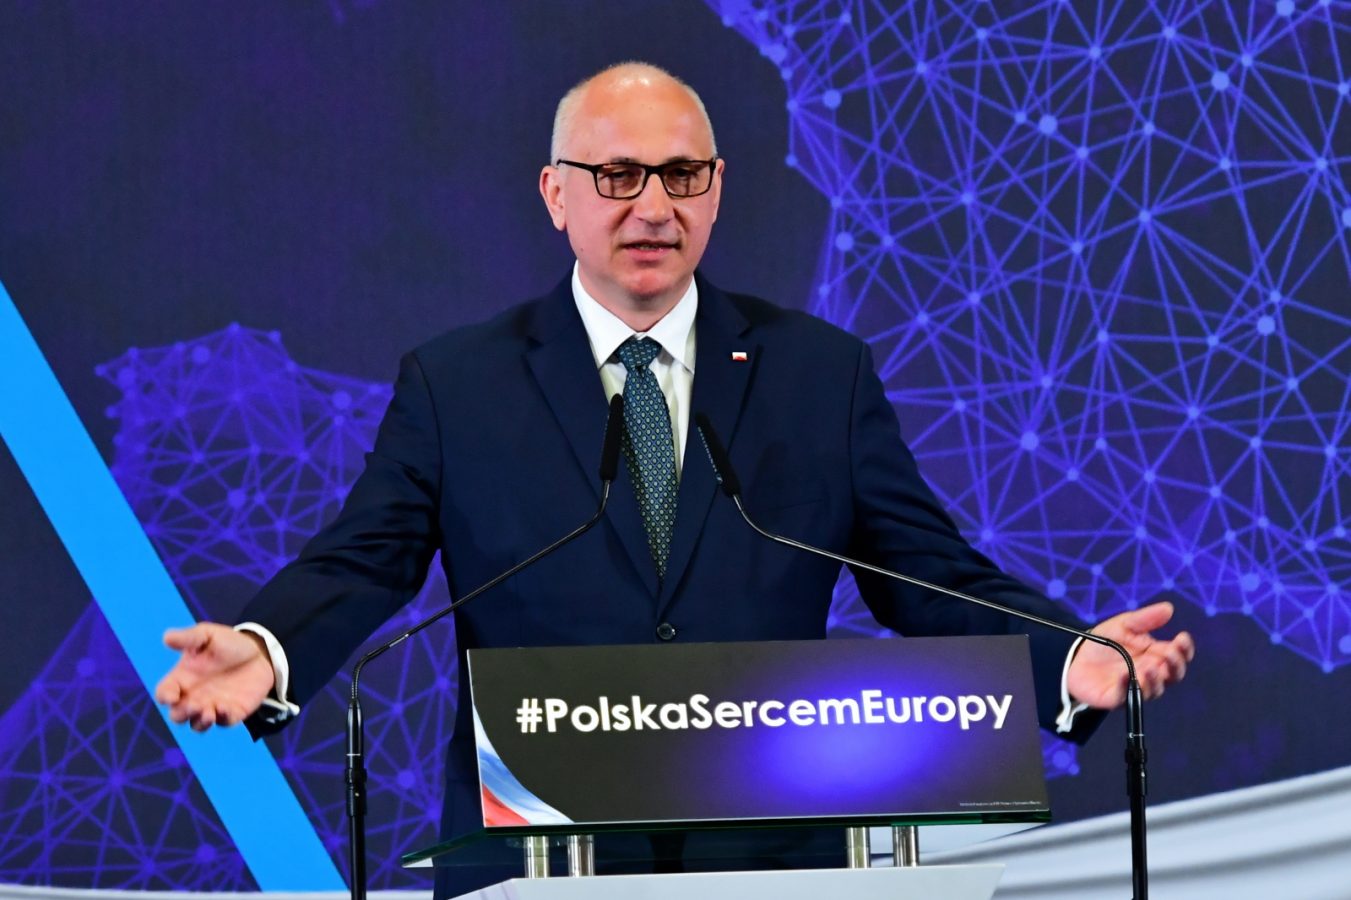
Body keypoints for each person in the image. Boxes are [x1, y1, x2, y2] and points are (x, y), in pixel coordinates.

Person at [156, 62, 1194, 895]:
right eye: (617, 176)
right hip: (534, 862)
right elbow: (365, 559)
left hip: (775, 863)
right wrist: (268, 646)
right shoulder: (459, 382)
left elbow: (924, 571)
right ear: (556, 194)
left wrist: (1068, 659)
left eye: (681, 175)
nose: (652, 205)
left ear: (716, 188)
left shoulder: (817, 373)